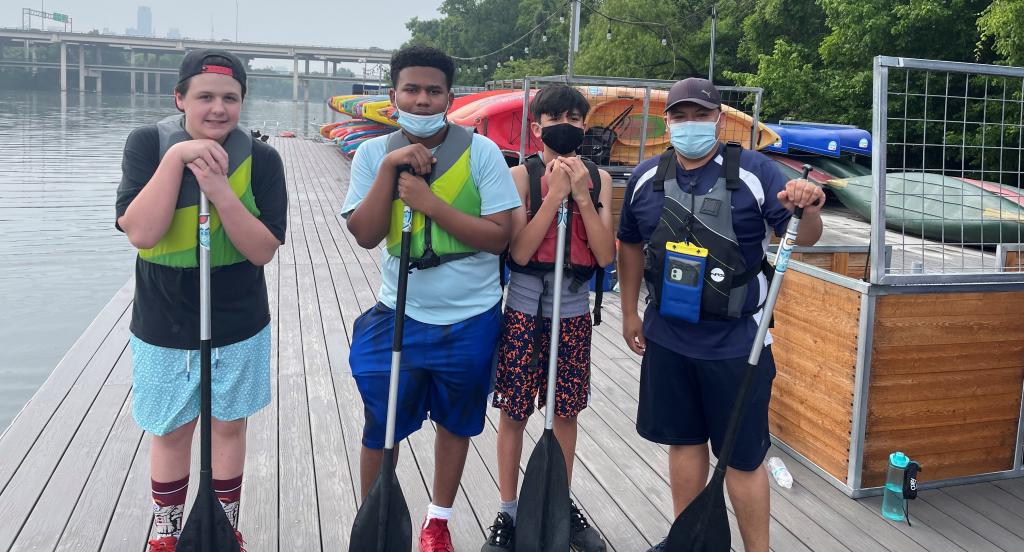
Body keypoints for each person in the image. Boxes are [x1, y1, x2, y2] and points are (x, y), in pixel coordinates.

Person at [616, 78, 825, 552]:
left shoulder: (757, 172)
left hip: (737, 344)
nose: (691, 125)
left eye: (701, 115)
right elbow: (628, 244)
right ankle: (692, 543)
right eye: (680, 116)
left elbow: (804, 234)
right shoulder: (647, 178)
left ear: (719, 119)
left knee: (742, 459)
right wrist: (629, 311)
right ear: (666, 121)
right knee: (685, 444)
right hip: (668, 337)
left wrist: (809, 206)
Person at [341, 45, 521, 551]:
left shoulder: (482, 152)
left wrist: (428, 204)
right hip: (399, 312)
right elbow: (366, 234)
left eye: (433, 91)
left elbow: (498, 236)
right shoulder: (374, 153)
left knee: (455, 421)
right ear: (394, 95)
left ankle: (437, 521)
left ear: (449, 96)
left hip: (471, 317)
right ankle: (374, 516)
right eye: (411, 90)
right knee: (382, 421)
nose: (422, 101)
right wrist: (388, 172)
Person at [115, 49, 287, 552]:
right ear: (180, 99)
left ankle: (223, 524)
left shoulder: (264, 159)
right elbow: (142, 233)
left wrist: (219, 187)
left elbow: (261, 249)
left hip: (238, 317)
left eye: (230, 98)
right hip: (163, 316)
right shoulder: (147, 144)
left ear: (242, 103)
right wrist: (177, 158)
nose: (218, 109)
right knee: (169, 431)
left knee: (228, 428)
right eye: (205, 97)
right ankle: (166, 535)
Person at [480, 84, 615, 552]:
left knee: (564, 412)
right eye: (556, 117)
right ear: (536, 128)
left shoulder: (599, 179)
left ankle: (558, 497)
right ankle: (509, 509)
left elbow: (602, 253)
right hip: (524, 306)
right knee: (515, 410)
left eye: (576, 118)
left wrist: (580, 196)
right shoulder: (521, 175)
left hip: (573, 308)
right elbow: (517, 250)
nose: (567, 125)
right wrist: (553, 196)